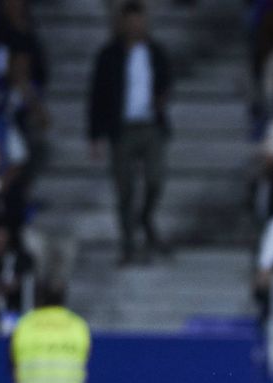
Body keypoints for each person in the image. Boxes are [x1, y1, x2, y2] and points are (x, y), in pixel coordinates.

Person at [86, 0, 173, 266]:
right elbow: (96, 96)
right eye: (131, 21)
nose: (136, 25)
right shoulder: (109, 55)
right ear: (122, 23)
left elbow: (168, 81)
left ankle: (146, 217)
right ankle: (127, 244)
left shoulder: (156, 52)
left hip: (151, 127)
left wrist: (162, 98)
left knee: (155, 180)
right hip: (121, 129)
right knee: (124, 190)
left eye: (140, 20)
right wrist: (94, 135)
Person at [3, 279, 90, 383]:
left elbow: (13, 365)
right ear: (63, 300)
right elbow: (83, 364)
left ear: (39, 299)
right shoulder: (78, 326)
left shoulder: (24, 325)